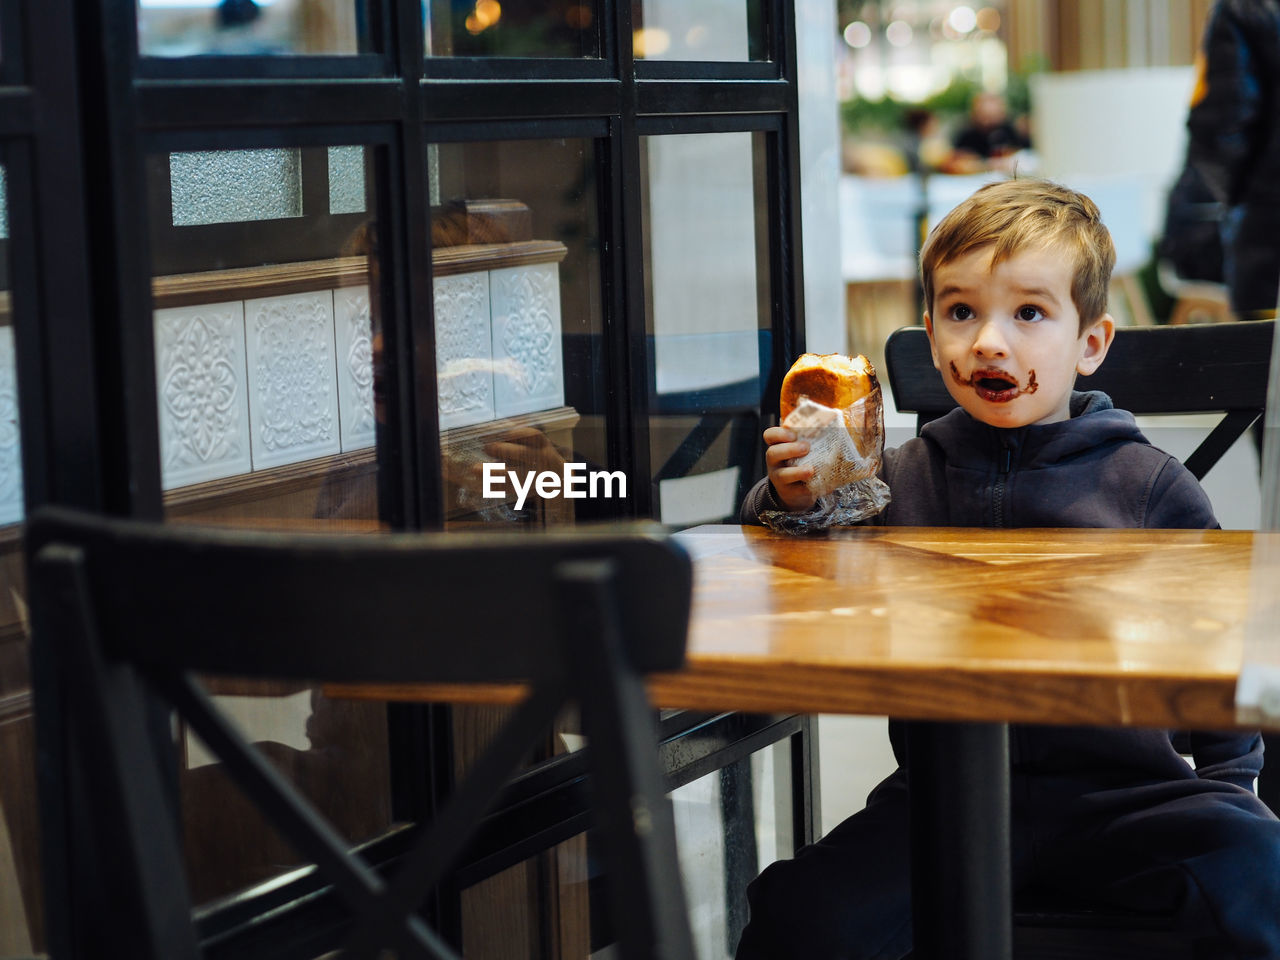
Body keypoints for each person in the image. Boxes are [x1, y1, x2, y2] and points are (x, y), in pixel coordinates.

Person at [735, 179, 1280, 959]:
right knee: (801, 915)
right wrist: (792, 495)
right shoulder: (894, 480)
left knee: (1258, 875)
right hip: (938, 802)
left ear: (1090, 342)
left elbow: (1225, 644)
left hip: (1128, 796)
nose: (989, 341)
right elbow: (778, 553)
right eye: (962, 312)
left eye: (1029, 313)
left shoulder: (1148, 486)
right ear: (931, 335)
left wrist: (1230, 784)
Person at [1186, 0, 1280, 320]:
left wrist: (1240, 202)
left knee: (1261, 361)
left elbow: (1219, 125)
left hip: (1268, 238)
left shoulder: (1244, 8)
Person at [944, 91, 1031, 175]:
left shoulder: (1009, 130)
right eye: (985, 115)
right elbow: (955, 161)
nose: (988, 121)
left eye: (992, 115)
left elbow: (1022, 153)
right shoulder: (965, 133)